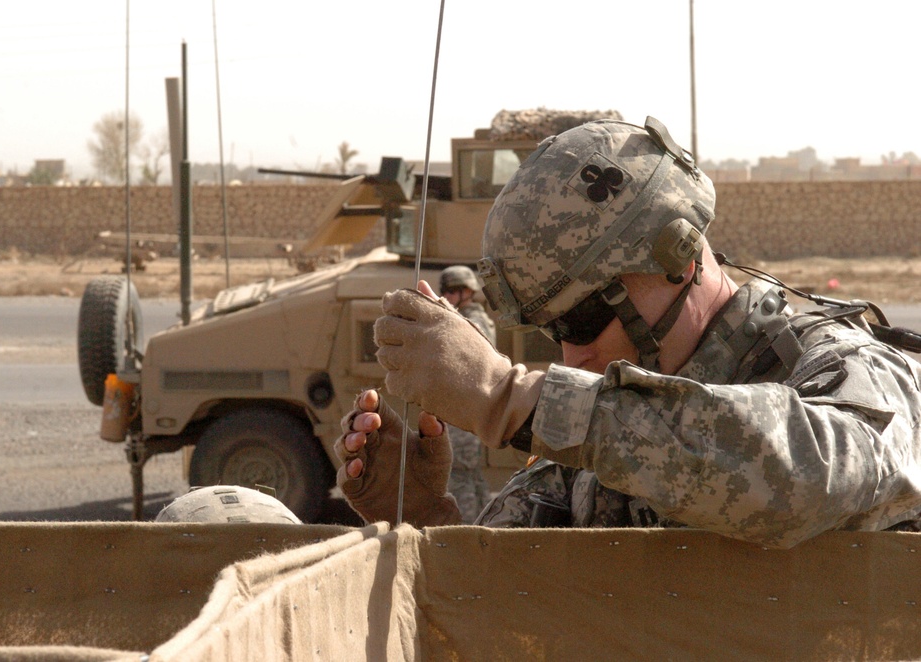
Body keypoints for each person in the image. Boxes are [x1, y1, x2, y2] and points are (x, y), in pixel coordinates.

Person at [334, 117, 921, 549]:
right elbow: (508, 602)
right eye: (552, 332)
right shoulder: (607, 430)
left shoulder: (848, 368)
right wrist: (423, 518)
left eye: (583, 319)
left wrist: (509, 398)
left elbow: (813, 478)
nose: (572, 354)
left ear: (678, 260)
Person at [438, 265, 495, 522]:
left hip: (465, 410)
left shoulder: (470, 324)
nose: (446, 297)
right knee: (470, 475)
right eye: (445, 292)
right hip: (471, 410)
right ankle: (484, 526)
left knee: (458, 476)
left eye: (451, 291)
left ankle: (466, 530)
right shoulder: (476, 319)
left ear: (466, 292)